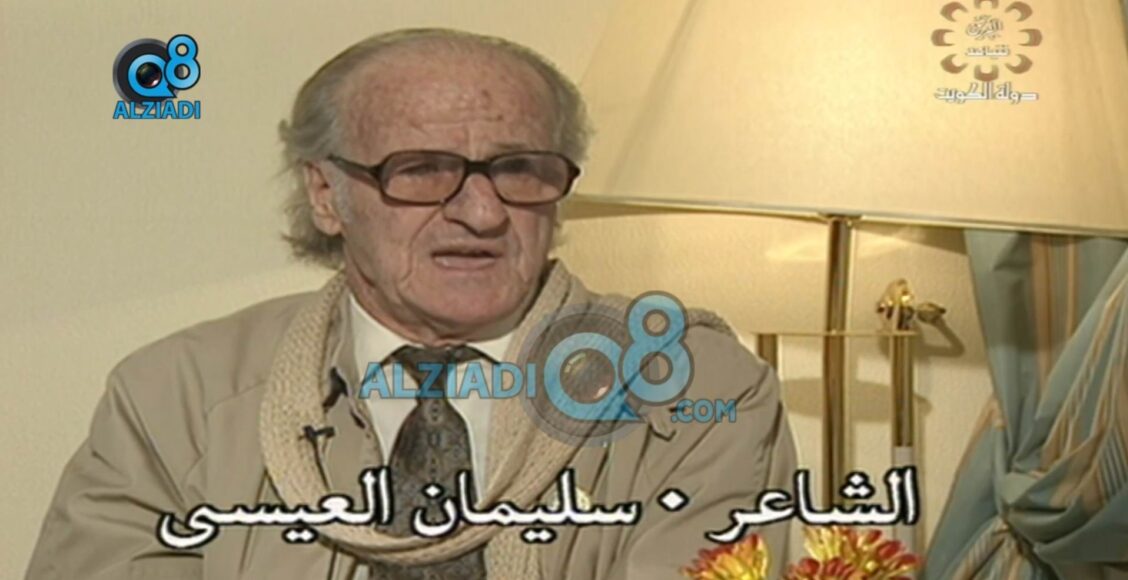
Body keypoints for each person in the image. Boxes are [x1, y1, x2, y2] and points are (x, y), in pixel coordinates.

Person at [26, 28, 797, 580]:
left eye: (518, 169)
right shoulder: (176, 397)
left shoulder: (695, 388)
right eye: (422, 170)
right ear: (326, 194)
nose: (482, 214)